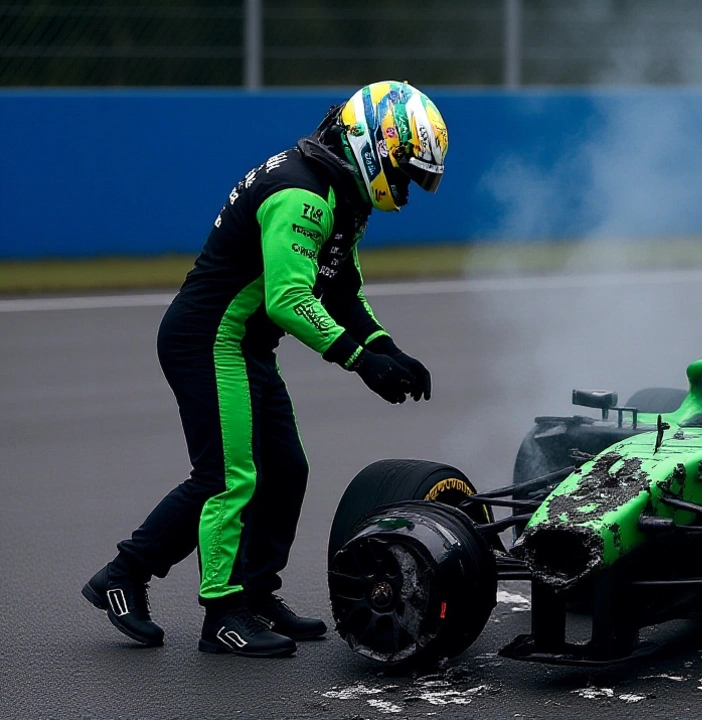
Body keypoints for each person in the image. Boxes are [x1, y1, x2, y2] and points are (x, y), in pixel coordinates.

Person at [82, 81, 446, 658]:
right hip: (209, 341)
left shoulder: (338, 191)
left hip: (243, 344)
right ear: (373, 144)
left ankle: (250, 593)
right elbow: (288, 298)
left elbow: (342, 292)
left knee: (286, 468)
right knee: (227, 479)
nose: (404, 187)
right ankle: (217, 614)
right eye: (403, 170)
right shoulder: (302, 194)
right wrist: (360, 361)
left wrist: (388, 348)